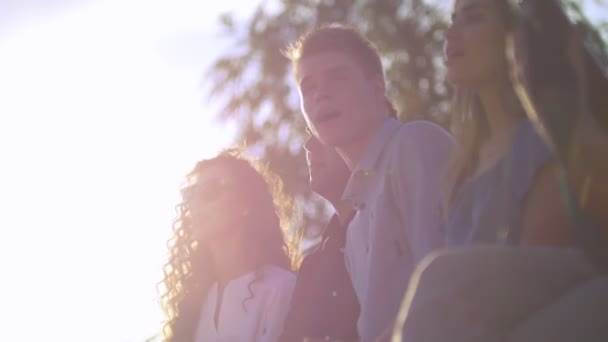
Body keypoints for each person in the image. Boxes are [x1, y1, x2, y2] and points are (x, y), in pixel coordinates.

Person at [392, 1, 608, 341]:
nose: (450, 32)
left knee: (438, 277)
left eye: (473, 19)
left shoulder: (543, 137)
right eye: (452, 20)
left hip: (553, 312)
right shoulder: (460, 173)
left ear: (516, 38)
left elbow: (537, 273)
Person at [284, 24, 453, 341]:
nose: (321, 93)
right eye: (308, 87)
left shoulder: (415, 145)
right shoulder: (357, 223)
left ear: (377, 88)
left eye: (337, 76)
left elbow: (446, 285)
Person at [160, 149, 299, 342]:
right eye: (191, 195)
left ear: (246, 203)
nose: (196, 204)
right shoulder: (194, 304)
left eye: (211, 191)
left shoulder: (280, 287)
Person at [280, 134, 359, 341]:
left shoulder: (397, 227)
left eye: (320, 132)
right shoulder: (314, 266)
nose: (308, 145)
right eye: (308, 133)